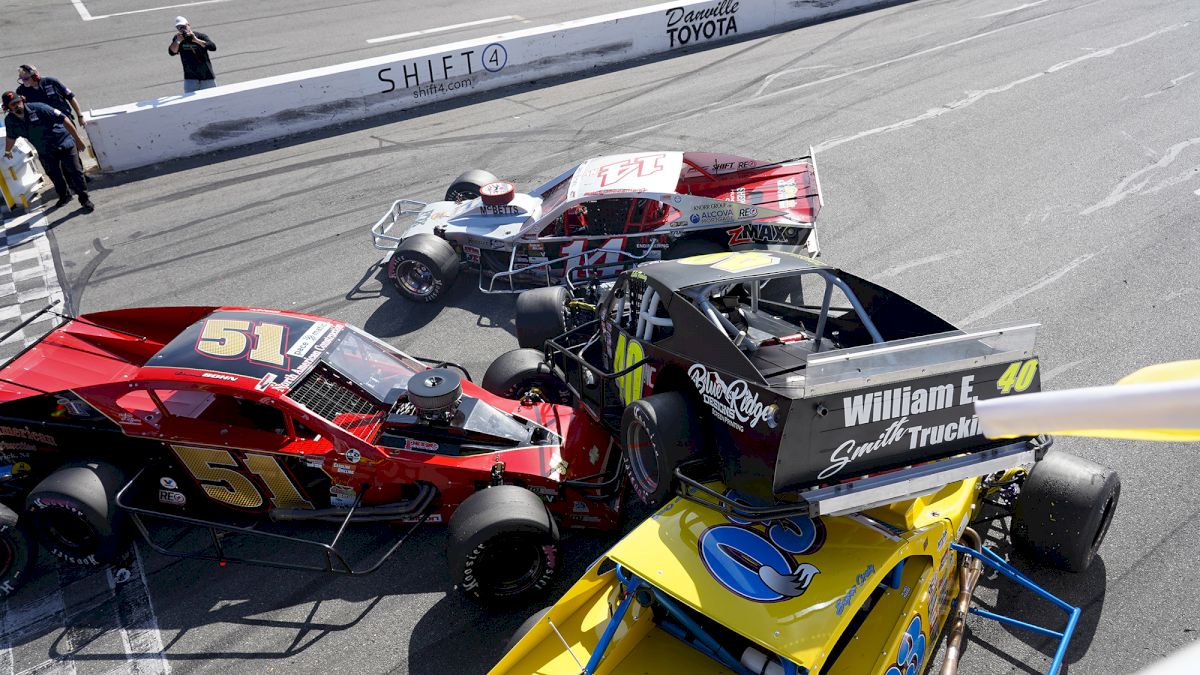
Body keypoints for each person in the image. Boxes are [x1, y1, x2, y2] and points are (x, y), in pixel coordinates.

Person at [3, 91, 93, 211]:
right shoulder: (10, 121)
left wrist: (78, 140)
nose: (17, 105)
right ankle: (65, 196)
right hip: (45, 150)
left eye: (18, 102)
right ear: (7, 107)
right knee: (54, 175)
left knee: (75, 172)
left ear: (22, 100)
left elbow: (64, 119)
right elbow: (11, 137)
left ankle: (84, 199)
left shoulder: (40, 108)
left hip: (63, 143)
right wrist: (8, 151)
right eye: (13, 104)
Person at [15, 65, 86, 127]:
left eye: (26, 79)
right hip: (44, 126)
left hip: (64, 120)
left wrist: (80, 116)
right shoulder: (21, 91)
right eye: (22, 79)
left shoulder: (51, 82)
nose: (24, 81)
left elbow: (71, 97)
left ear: (35, 76)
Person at [169, 16, 217, 93]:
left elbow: (212, 47)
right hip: (190, 78)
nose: (182, 29)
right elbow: (172, 52)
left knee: (212, 101)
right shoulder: (178, 39)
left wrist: (196, 40)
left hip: (207, 77)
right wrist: (178, 41)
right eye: (179, 28)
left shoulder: (200, 36)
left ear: (189, 25)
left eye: (183, 27)